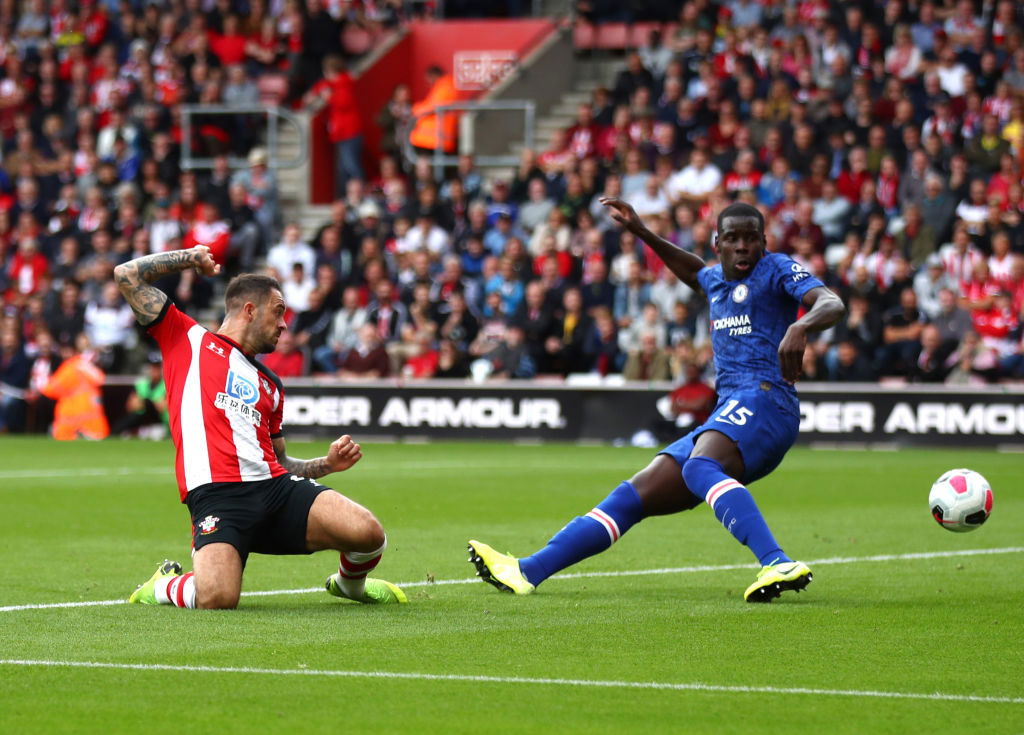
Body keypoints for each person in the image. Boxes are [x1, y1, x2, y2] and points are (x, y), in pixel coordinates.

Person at [468, 199, 845, 603]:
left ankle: (776, 562)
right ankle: (528, 571)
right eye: (732, 239)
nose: (742, 247)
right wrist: (642, 231)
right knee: (634, 494)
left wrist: (801, 326)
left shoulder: (776, 268)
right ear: (717, 243)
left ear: (764, 242)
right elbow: (692, 271)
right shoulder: (715, 279)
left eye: (751, 239)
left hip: (767, 400)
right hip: (730, 408)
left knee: (702, 466)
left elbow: (831, 302)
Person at [113, 245, 406, 610]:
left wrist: (327, 464)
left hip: (274, 489)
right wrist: (191, 257)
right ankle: (164, 586)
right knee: (217, 598)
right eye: (278, 312)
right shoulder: (187, 339)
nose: (285, 324)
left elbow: (280, 459)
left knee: (369, 533)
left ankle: (350, 586)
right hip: (218, 495)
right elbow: (126, 275)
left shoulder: (270, 383)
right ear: (249, 310)